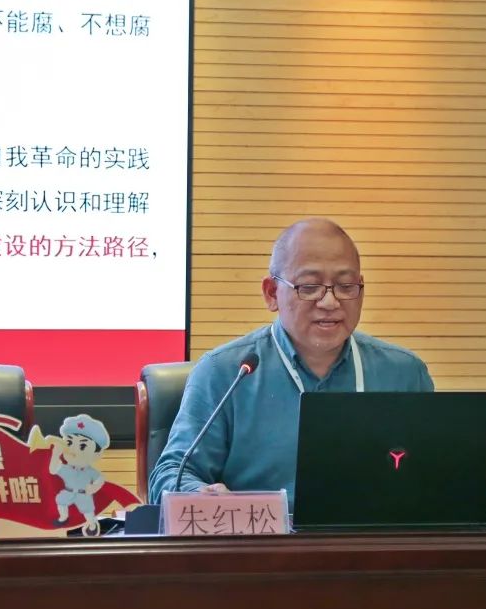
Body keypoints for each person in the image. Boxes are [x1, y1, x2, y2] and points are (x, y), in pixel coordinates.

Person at [148, 218, 434, 510]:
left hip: (375, 537)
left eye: (346, 286)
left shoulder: (404, 374)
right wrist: (202, 495)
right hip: (263, 537)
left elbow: (433, 477)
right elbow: (170, 477)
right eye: (309, 287)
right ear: (272, 293)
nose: (330, 302)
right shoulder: (225, 373)